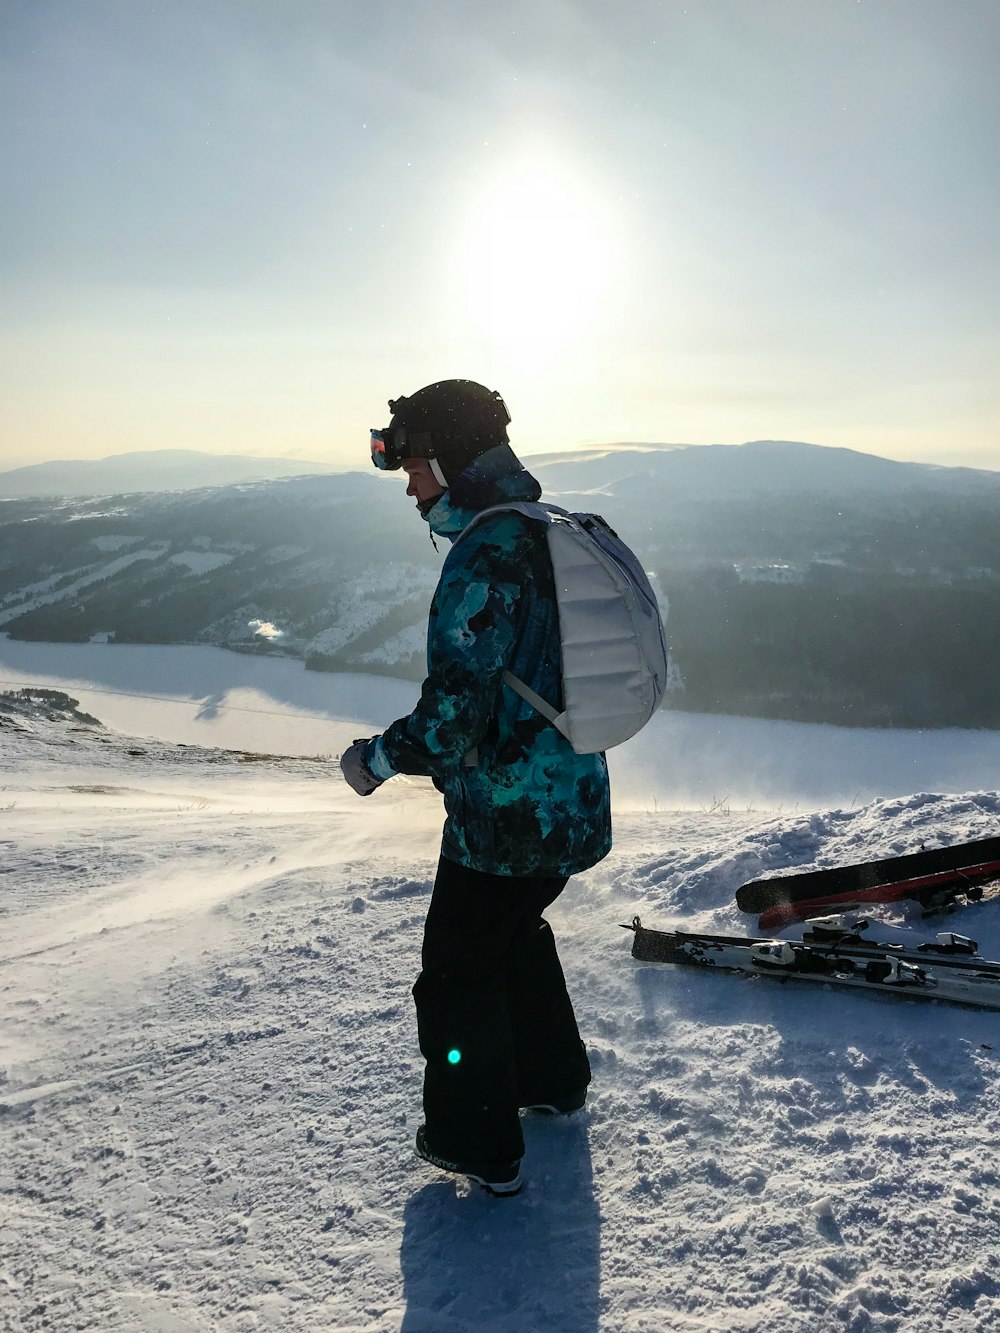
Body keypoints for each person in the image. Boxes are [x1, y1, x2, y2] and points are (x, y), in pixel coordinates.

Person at [340, 379, 611, 1197]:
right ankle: (552, 1080)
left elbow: (452, 721)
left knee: (458, 967)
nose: (412, 487)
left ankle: (478, 1141)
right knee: (514, 930)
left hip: (504, 821)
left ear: (452, 459)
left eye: (416, 467)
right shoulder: (548, 530)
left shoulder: (484, 557)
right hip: (573, 802)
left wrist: (375, 760)